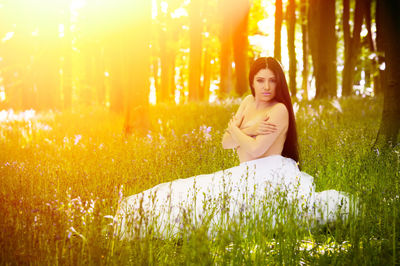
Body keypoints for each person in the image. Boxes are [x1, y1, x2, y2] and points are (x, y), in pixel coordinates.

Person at [115, 57, 353, 240]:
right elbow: (225, 143)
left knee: (224, 211)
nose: (266, 86)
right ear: (252, 81)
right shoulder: (248, 102)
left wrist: (238, 129)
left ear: (279, 82)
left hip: (270, 173)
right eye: (260, 80)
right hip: (243, 172)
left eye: (272, 80)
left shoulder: (279, 110)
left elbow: (257, 149)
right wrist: (250, 127)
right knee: (187, 194)